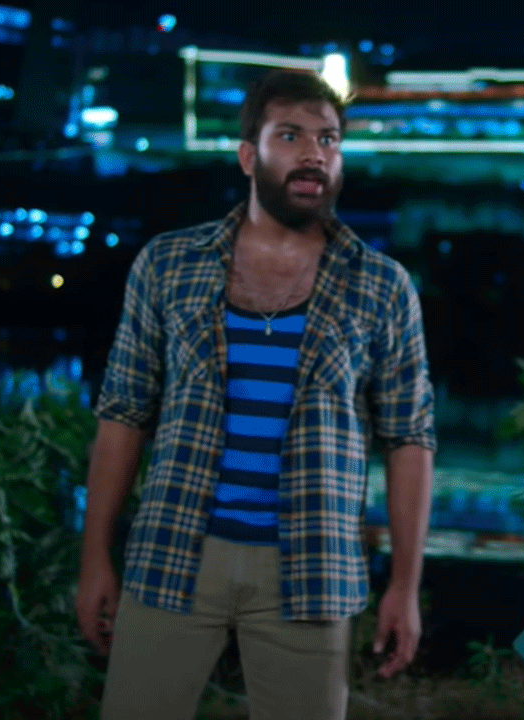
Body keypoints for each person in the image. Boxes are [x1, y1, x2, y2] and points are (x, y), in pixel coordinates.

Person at [75, 68, 436, 720]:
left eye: (328, 139)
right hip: (175, 550)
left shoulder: (382, 286)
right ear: (248, 156)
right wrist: (96, 555)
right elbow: (123, 412)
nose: (313, 154)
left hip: (312, 566)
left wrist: (405, 586)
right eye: (290, 136)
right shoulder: (169, 264)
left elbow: (409, 438)